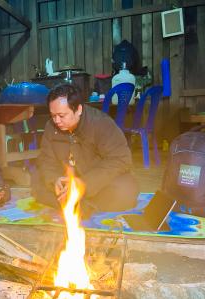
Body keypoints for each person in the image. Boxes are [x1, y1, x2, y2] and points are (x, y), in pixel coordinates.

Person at [32, 84, 138, 214]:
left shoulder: (101, 123)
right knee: (37, 181)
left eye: (61, 115)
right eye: (53, 115)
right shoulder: (51, 127)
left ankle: (80, 205)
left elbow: (121, 160)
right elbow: (46, 160)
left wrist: (84, 183)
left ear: (79, 109)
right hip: (67, 182)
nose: (56, 121)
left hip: (95, 182)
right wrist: (55, 180)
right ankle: (77, 204)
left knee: (126, 190)